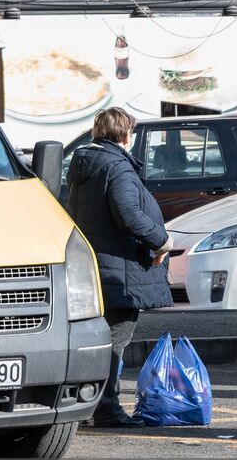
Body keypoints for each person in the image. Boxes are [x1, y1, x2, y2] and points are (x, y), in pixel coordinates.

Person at [65, 106, 171, 428]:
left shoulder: (84, 164)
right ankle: (107, 409)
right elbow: (129, 214)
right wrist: (160, 241)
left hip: (94, 264)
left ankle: (88, 405)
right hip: (119, 270)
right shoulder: (117, 168)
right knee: (115, 342)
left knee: (96, 340)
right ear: (125, 135)